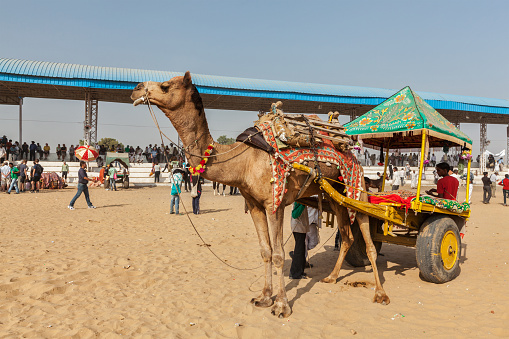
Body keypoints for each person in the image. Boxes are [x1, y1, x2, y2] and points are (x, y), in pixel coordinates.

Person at [289, 203, 310, 279]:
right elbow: (295, 214)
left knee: (301, 250)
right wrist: (303, 205)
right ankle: (294, 273)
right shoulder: (299, 201)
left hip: (301, 228)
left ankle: (300, 272)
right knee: (298, 250)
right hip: (298, 228)